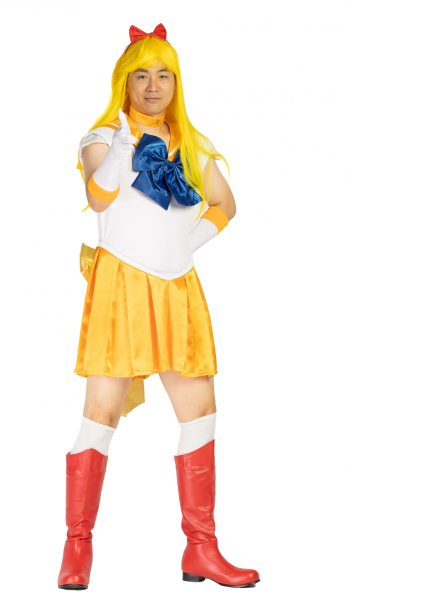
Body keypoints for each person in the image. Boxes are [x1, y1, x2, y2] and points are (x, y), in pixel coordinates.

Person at [58, 23, 261, 590]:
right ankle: (77, 545)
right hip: (120, 288)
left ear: (177, 82)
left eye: (164, 74)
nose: (153, 85)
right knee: (100, 415)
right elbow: (98, 196)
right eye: (142, 75)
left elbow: (225, 203)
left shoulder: (192, 142)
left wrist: (188, 243)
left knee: (201, 412)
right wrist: (122, 149)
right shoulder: (101, 137)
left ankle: (202, 548)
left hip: (177, 288)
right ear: (124, 82)